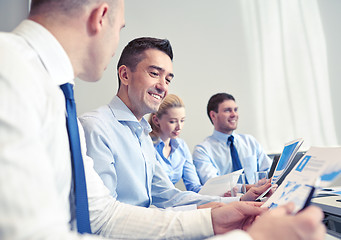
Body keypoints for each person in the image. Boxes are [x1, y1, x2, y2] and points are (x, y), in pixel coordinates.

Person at [0, 0, 326, 239]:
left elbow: (104, 213)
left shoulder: (57, 94)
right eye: (120, 28)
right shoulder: (11, 70)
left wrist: (219, 219)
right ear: (102, 16)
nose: (163, 85)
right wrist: (250, 238)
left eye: (168, 77)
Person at [80, 37, 272, 210]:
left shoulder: (142, 136)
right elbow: (104, 217)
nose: (163, 86)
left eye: (168, 79)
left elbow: (170, 197)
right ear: (125, 75)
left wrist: (238, 202)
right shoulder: (96, 127)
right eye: (155, 73)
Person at [193, 93, 273, 187]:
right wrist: (251, 188)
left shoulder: (250, 141)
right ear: (213, 115)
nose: (234, 114)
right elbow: (214, 185)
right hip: (228, 201)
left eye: (235, 110)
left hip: (261, 198)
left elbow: (269, 171)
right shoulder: (202, 150)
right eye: (227, 110)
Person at [149, 94, 202, 193]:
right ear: (156, 120)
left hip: (172, 203)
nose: (179, 127)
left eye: (182, 120)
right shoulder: (146, 145)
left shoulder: (181, 146)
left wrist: (219, 193)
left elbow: (194, 186)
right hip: (150, 206)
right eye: (173, 121)